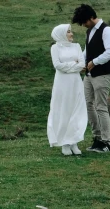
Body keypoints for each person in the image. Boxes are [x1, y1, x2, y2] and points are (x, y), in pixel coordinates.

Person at [72, 4, 110, 153]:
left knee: (101, 107)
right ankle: (97, 138)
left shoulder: (107, 30)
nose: (84, 25)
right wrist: (81, 62)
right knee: (88, 105)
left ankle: (107, 142)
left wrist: (94, 62)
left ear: (91, 17)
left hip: (102, 74)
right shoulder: (89, 31)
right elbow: (87, 51)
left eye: (84, 22)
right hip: (89, 75)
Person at [46, 23, 87, 156]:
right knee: (64, 110)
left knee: (76, 110)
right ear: (62, 34)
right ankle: (64, 142)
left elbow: (82, 64)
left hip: (75, 82)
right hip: (62, 84)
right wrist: (73, 65)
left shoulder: (77, 46)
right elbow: (57, 65)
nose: (71, 34)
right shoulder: (55, 47)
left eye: (71, 31)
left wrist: (71, 66)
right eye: (68, 32)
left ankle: (74, 141)